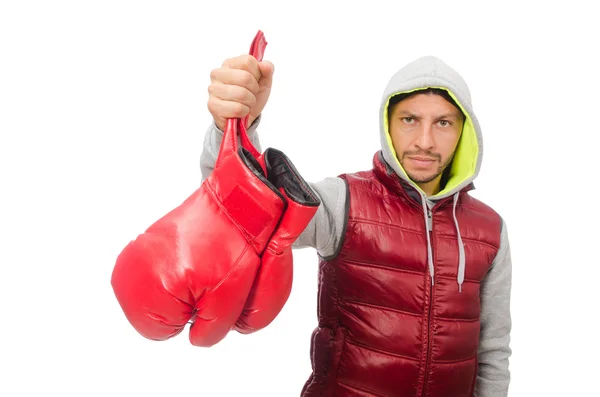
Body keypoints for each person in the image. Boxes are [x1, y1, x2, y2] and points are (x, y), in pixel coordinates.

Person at [200, 51, 512, 397]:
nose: (425, 141)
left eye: (443, 123)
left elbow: (492, 351)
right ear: (388, 124)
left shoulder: (489, 229)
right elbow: (249, 215)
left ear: (463, 132)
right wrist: (232, 128)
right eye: (409, 119)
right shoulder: (344, 200)